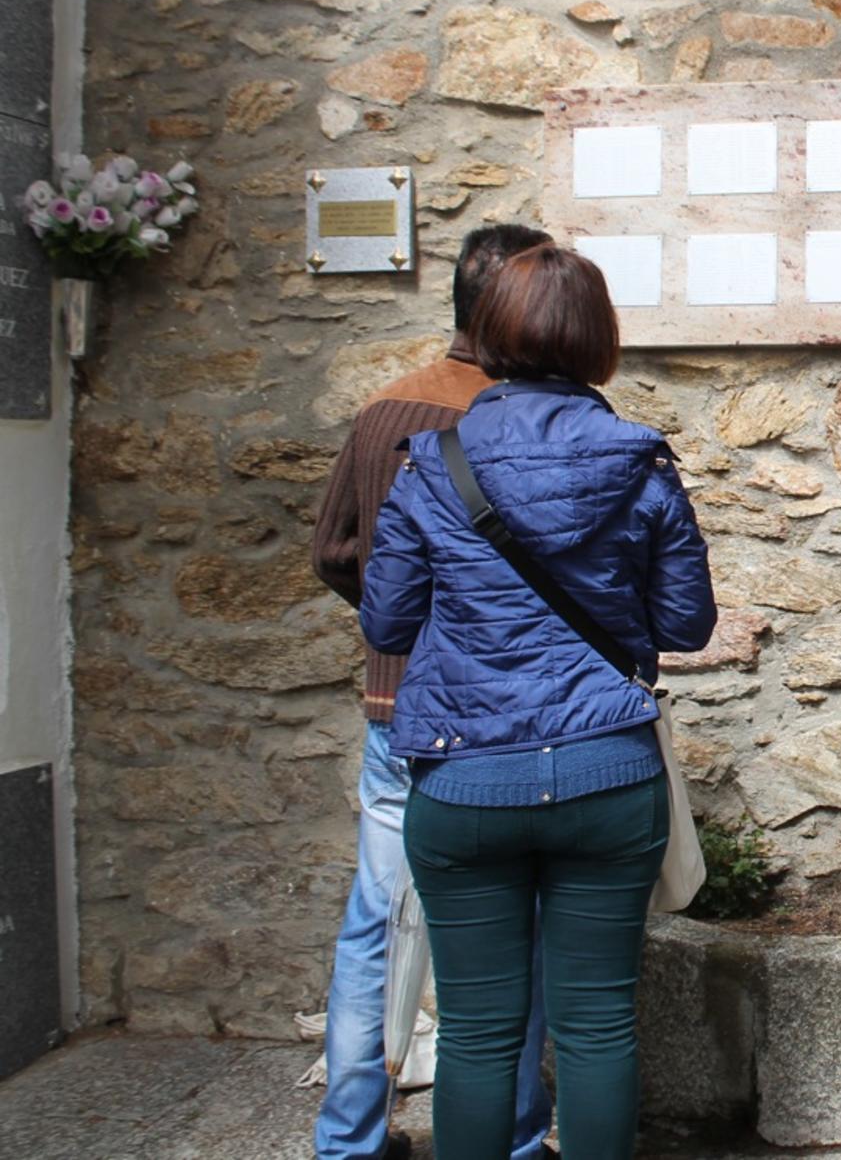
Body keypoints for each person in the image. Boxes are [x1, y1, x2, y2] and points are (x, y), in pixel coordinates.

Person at [361, 243, 716, 1160]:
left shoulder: (431, 463)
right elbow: (685, 623)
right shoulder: (643, 464)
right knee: (597, 1027)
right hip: (607, 771)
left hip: (467, 776)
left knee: (479, 1034)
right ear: (601, 341)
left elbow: (389, 622)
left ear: (486, 333)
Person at [310, 223, 555, 1160]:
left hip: (393, 701)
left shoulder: (386, 409)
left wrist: (396, 623)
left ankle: (349, 1138)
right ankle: (516, 1136)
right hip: (498, 715)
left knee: (375, 922)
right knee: (513, 926)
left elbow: (333, 551)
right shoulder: (522, 416)